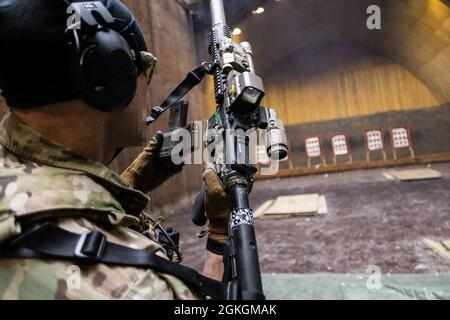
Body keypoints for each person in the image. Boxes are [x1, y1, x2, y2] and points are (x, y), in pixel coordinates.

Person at [0, 0, 230, 300]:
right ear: (110, 75)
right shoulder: (136, 288)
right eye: (145, 67)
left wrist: (127, 188)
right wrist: (220, 238)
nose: (147, 84)